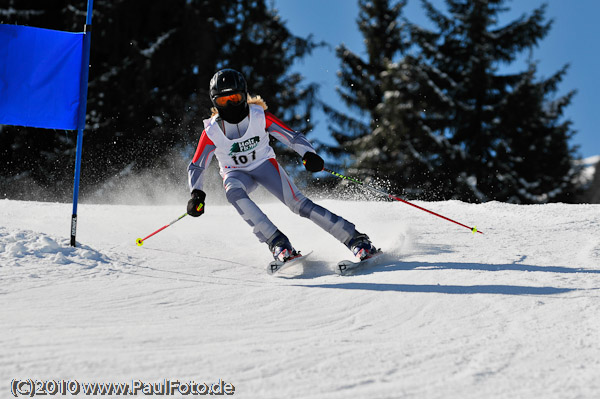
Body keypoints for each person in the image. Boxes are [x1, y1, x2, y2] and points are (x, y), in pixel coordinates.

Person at [186, 68, 378, 263]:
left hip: (264, 166)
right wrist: (196, 194)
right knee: (233, 192)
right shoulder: (212, 131)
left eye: (234, 98)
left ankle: (356, 239)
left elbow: (292, 137)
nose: (230, 104)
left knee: (299, 205)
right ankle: (278, 243)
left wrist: (308, 154)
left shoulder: (259, 116)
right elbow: (197, 166)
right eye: (223, 101)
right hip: (235, 173)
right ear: (215, 102)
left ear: (244, 95)